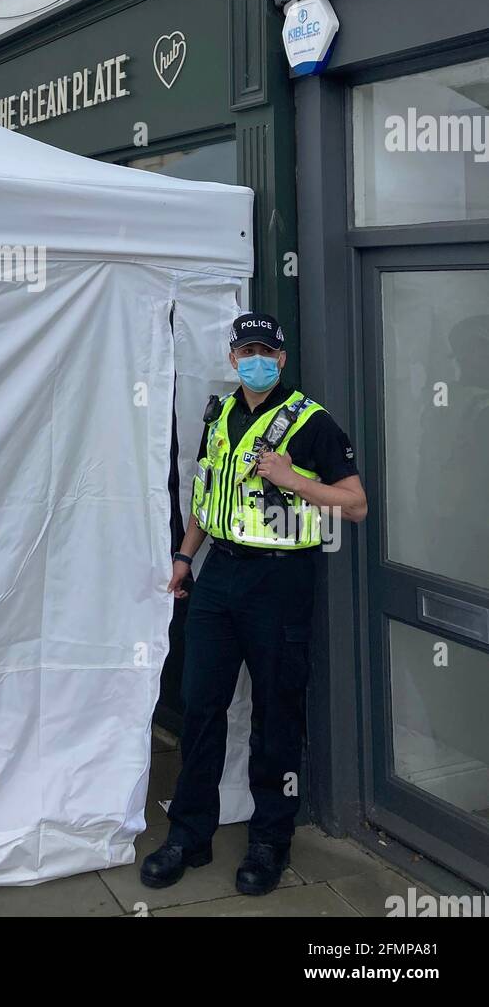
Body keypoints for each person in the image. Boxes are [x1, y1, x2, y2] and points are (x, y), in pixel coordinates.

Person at [141, 313, 367, 896]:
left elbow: (356, 504)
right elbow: (205, 494)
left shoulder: (310, 422)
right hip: (219, 576)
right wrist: (186, 557)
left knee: (276, 716)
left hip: (280, 581)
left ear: (282, 359)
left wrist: (295, 481)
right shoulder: (218, 415)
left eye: (266, 350)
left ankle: (271, 839)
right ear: (233, 357)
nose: (255, 359)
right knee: (200, 707)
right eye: (246, 350)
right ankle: (189, 834)